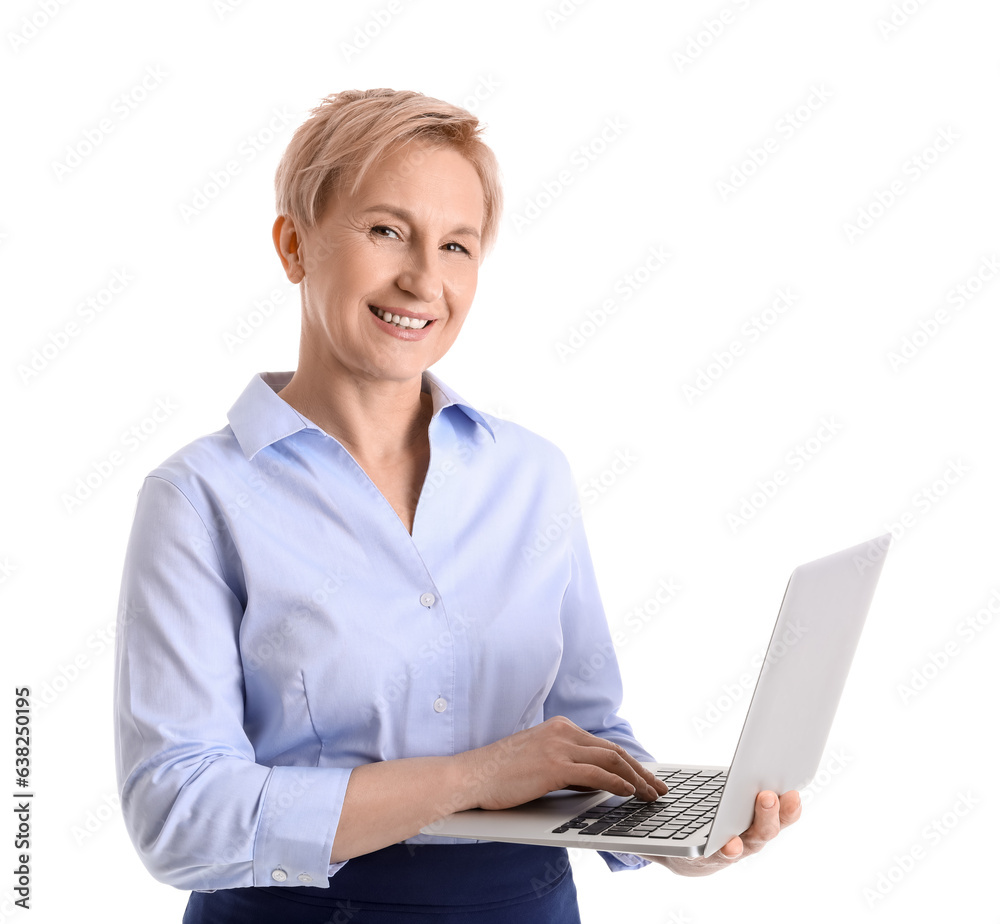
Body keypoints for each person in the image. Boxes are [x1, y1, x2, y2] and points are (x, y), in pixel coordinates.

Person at [113, 88, 800, 924]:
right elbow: (179, 819)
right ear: (295, 245)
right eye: (385, 231)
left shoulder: (531, 476)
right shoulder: (198, 499)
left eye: (457, 246)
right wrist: (475, 778)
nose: (423, 279)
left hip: (527, 907)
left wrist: (684, 837)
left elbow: (585, 735)